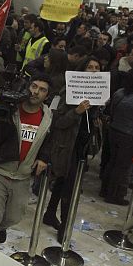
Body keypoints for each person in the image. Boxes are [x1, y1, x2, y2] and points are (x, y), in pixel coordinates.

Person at [0, 75, 52, 249]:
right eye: (34, 86)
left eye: (42, 90)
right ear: (28, 87)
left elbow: (50, 139)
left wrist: (44, 157)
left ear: (47, 95)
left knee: (14, 216)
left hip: (23, 176)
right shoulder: (10, 109)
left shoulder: (48, 116)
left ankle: (2, 228)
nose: (36, 92)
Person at [43, 56, 101, 239]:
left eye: (97, 67)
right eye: (89, 67)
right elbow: (58, 121)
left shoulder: (98, 92)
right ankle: (64, 228)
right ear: (82, 71)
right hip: (67, 145)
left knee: (63, 182)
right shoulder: (69, 90)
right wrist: (76, 112)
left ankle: (50, 214)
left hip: (82, 145)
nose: (93, 70)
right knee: (69, 186)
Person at [100, 67, 133, 205]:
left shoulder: (119, 93)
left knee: (112, 161)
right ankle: (114, 195)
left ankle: (104, 189)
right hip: (130, 135)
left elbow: (111, 110)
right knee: (122, 166)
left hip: (114, 130)